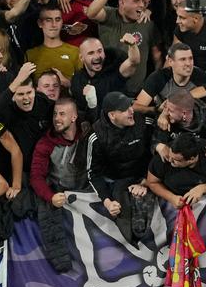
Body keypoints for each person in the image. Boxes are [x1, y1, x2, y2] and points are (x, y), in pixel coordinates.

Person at [29, 97, 91, 273]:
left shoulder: (88, 134)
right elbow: (36, 177)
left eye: (62, 114)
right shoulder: (45, 143)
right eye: (55, 114)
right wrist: (51, 197)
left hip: (87, 191)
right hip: (59, 193)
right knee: (46, 208)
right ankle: (63, 267)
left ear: (74, 117)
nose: (57, 118)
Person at [86, 92, 155, 242]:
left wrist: (146, 181)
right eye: (124, 109)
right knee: (121, 212)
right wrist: (108, 201)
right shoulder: (96, 136)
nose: (131, 111)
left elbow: (157, 156)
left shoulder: (145, 122)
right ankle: (134, 251)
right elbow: (93, 174)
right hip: (118, 180)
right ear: (112, 115)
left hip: (146, 175)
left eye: (130, 105)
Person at [145, 132, 206, 208]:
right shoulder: (164, 155)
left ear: (191, 159)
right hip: (175, 200)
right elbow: (152, 182)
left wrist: (203, 188)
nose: (170, 160)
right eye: (170, 155)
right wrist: (171, 197)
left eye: (176, 160)